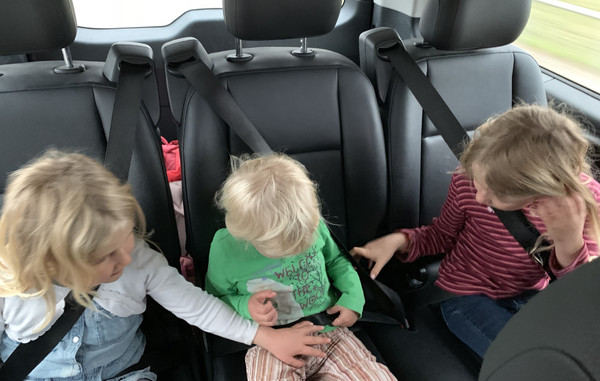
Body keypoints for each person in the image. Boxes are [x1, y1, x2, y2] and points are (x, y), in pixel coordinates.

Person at [0, 150, 331, 381]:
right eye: (106, 255)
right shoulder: (10, 282)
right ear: (54, 260)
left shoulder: (141, 262)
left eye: (126, 237)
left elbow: (198, 308)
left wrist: (266, 337)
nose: (126, 258)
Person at [351, 104, 600, 358]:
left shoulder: (581, 206)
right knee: (523, 362)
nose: (480, 197)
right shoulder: (467, 180)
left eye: (495, 196)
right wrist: (398, 240)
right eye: (478, 184)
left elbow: (577, 290)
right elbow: (442, 235)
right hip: (464, 295)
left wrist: (568, 241)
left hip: (534, 294)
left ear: (540, 187)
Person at [205, 154, 396, 380]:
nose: (293, 251)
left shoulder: (311, 225)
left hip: (330, 333)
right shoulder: (226, 249)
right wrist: (246, 306)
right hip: (270, 342)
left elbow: (335, 261)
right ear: (247, 234)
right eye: (282, 248)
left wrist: (353, 297)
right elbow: (214, 298)